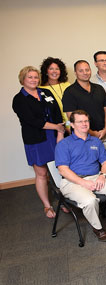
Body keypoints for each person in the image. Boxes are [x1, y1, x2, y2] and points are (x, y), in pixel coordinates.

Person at [54, 110, 106, 242]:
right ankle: (98, 228)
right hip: (72, 182)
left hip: (95, 177)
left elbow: (105, 162)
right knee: (90, 201)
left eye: (86, 121)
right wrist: (83, 182)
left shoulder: (96, 142)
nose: (84, 124)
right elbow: (63, 170)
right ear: (72, 125)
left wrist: (102, 175)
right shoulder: (64, 144)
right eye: (80, 121)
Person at [12, 65, 65, 218]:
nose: (34, 80)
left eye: (36, 77)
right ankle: (47, 206)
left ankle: (64, 201)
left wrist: (59, 133)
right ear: (23, 80)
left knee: (60, 170)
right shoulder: (19, 99)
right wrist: (56, 127)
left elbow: (57, 113)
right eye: (30, 77)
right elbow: (32, 121)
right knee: (42, 173)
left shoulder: (46, 92)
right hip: (36, 138)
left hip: (54, 135)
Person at [62, 60, 106, 139]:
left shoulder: (99, 88)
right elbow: (71, 117)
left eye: (87, 70)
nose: (85, 73)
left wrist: (105, 130)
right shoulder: (69, 92)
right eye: (81, 71)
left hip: (104, 134)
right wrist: (92, 133)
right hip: (83, 137)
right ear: (75, 73)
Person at [39, 57, 70, 126]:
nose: (54, 71)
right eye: (51, 69)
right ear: (46, 71)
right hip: (56, 125)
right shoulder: (41, 89)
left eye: (57, 69)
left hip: (72, 122)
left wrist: (69, 124)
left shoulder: (67, 85)